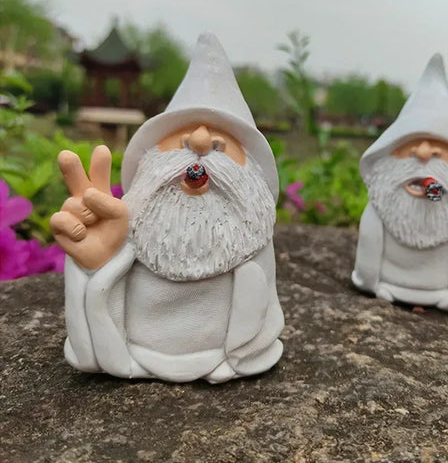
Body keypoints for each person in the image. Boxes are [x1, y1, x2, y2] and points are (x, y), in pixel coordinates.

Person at [51, 33, 284, 382]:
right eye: (180, 138)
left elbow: (260, 311)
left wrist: (243, 354)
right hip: (133, 353)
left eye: (222, 141)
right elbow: (101, 294)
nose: (200, 142)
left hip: (224, 360)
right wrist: (97, 266)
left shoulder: (250, 239)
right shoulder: (136, 223)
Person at [352, 54, 448, 311]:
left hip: (445, 291)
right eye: (411, 144)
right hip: (390, 284)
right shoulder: (380, 208)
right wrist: (369, 279)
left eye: (439, 147)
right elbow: (369, 246)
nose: (424, 153)